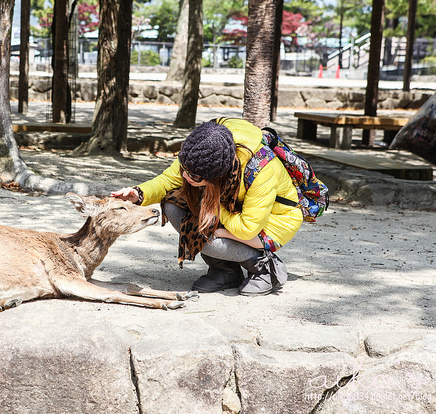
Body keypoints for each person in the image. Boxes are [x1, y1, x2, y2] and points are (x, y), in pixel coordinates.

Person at [111, 118, 303, 296]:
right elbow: (168, 181)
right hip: (228, 208)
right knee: (173, 205)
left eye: (194, 176)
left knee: (206, 234)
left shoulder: (260, 169)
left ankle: (265, 268)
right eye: (184, 169)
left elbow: (248, 228)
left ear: (215, 175)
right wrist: (138, 193)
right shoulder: (204, 144)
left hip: (274, 221)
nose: (185, 177)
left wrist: (214, 218)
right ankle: (225, 271)